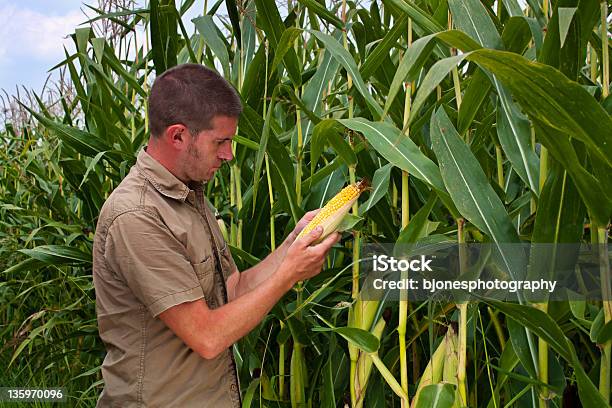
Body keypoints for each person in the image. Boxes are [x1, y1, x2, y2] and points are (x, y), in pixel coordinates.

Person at [92, 63, 339, 407]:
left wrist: (290, 246)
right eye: (221, 142)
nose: (229, 155)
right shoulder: (137, 216)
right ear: (177, 136)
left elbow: (233, 289)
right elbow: (206, 336)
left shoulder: (188, 196)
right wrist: (289, 274)